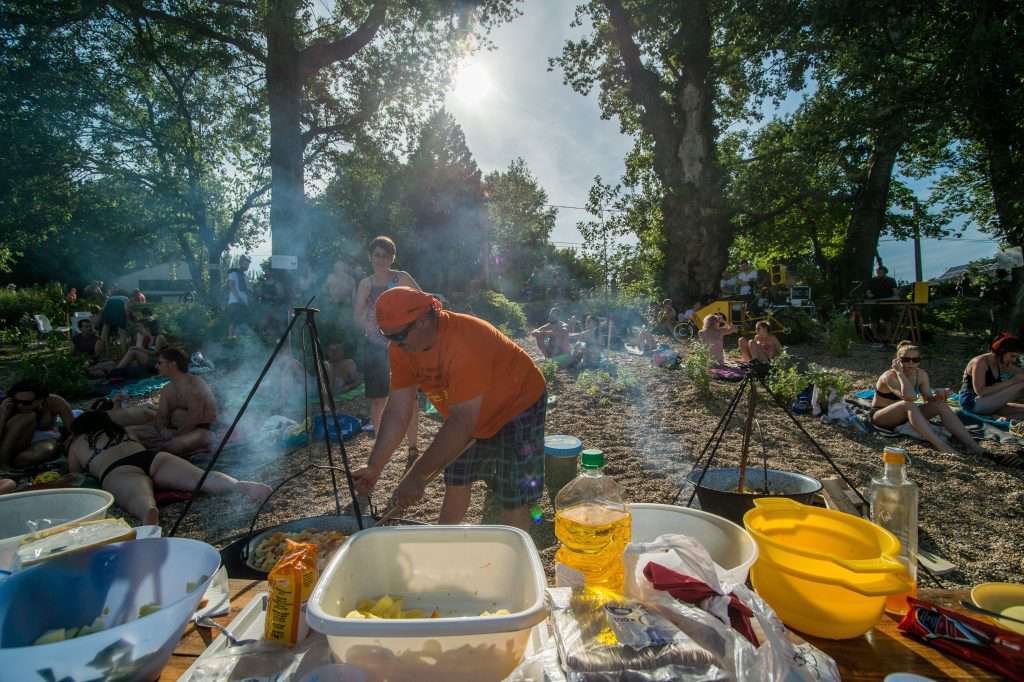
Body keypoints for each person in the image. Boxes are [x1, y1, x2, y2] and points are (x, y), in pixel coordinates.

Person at [352, 287, 547, 531]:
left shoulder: (465, 340)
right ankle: (443, 544)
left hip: (518, 403)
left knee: (513, 495)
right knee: (456, 478)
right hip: (468, 415)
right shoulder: (401, 349)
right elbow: (398, 412)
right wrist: (374, 467)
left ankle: (518, 553)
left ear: (422, 321)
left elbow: (462, 422)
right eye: (387, 336)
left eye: (399, 335)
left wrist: (417, 475)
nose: (395, 345)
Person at [68, 411, 270, 525]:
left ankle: (148, 512)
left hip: (116, 470)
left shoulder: (76, 445)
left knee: (138, 498)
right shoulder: (123, 431)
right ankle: (239, 486)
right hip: (151, 458)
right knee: (200, 477)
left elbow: (75, 476)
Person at [353, 236, 421, 463]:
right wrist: (371, 327)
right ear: (370, 257)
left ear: (393, 257)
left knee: (410, 397)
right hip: (375, 346)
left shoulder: (401, 278)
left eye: (386, 255)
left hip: (403, 346)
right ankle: (381, 449)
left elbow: (422, 301)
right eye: (377, 255)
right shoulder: (366, 284)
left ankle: (413, 448)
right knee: (378, 399)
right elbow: (357, 315)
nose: (381, 260)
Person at [872, 342, 983, 455]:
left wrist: (939, 395)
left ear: (919, 361)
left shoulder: (921, 374)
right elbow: (909, 397)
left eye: (915, 360)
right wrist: (900, 374)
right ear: (897, 361)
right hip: (882, 417)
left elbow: (928, 398)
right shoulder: (889, 376)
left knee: (940, 405)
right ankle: (941, 445)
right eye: (906, 359)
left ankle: (973, 445)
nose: (911, 363)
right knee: (908, 404)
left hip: (907, 416)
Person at [127, 348, 218, 457]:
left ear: (172, 364)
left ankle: (152, 454)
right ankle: (149, 453)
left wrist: (176, 435)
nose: (156, 366)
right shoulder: (167, 389)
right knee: (129, 431)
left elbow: (195, 418)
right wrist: (163, 430)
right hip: (174, 431)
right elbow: (161, 416)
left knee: (173, 446)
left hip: (200, 431)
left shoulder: (195, 384)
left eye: (160, 363)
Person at [0, 379, 75, 469]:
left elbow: (74, 430)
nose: (20, 405)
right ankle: (4, 464)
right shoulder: (8, 406)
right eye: (16, 401)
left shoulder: (54, 402)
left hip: (43, 441)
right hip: (13, 444)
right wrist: (3, 415)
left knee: (25, 459)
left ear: (40, 400)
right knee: (28, 417)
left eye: (26, 403)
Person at [959, 334, 1024, 418]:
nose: (1014, 360)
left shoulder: (1001, 362)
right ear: (1001, 352)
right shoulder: (980, 362)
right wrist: (1012, 381)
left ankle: (997, 414)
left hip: (989, 402)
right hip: (972, 403)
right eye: (1012, 356)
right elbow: (981, 391)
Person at [226, 254, 252, 336]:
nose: (247, 266)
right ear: (240, 263)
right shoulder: (233, 272)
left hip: (243, 304)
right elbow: (231, 285)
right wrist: (238, 299)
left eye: (248, 264)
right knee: (234, 323)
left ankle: (236, 342)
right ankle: (231, 341)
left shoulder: (244, 276)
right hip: (235, 302)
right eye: (245, 264)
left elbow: (249, 290)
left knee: (241, 324)